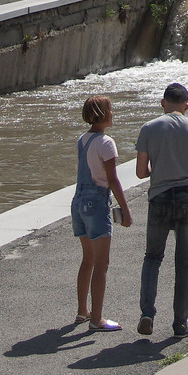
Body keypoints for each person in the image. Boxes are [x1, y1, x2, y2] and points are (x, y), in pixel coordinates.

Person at [134, 82, 188, 338]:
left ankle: (147, 313)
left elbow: (141, 172)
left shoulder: (149, 128)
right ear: (187, 105)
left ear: (162, 103)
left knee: (152, 257)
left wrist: (163, 171)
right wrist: (187, 171)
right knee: (184, 264)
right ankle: (181, 324)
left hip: (159, 198)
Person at [72, 95, 133, 330]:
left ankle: (82, 311)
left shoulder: (82, 139)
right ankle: (97, 319)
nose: (113, 113)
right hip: (97, 203)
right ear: (103, 114)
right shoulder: (107, 143)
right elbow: (112, 180)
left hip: (78, 201)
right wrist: (125, 210)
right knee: (102, 263)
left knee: (87, 259)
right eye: (110, 109)